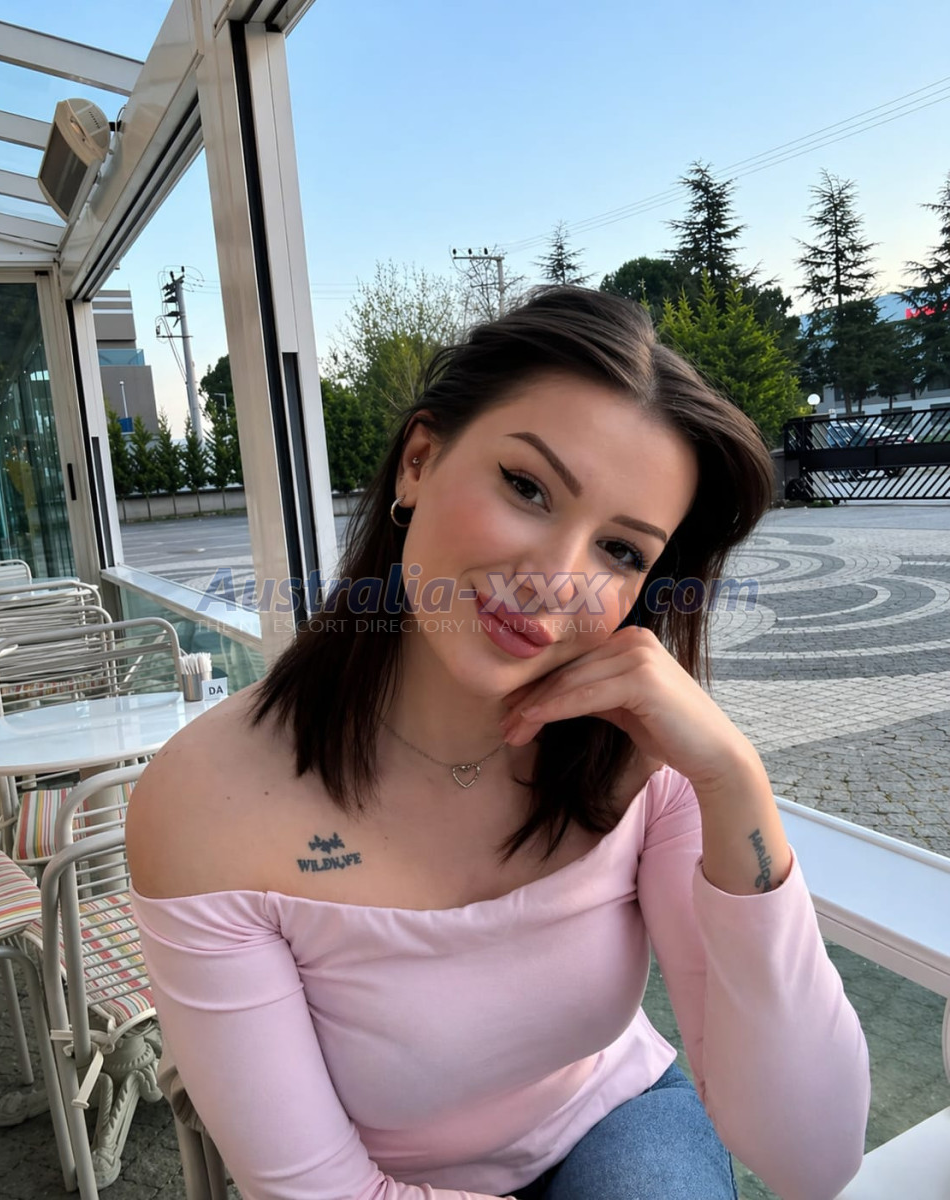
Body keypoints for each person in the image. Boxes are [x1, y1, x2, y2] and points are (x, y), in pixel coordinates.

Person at [127, 286, 871, 1200]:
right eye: (527, 488)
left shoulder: (639, 759)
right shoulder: (210, 801)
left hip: (615, 1117)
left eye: (621, 552)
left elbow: (811, 1161)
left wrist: (733, 778)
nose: (554, 579)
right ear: (419, 462)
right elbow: (322, 1192)